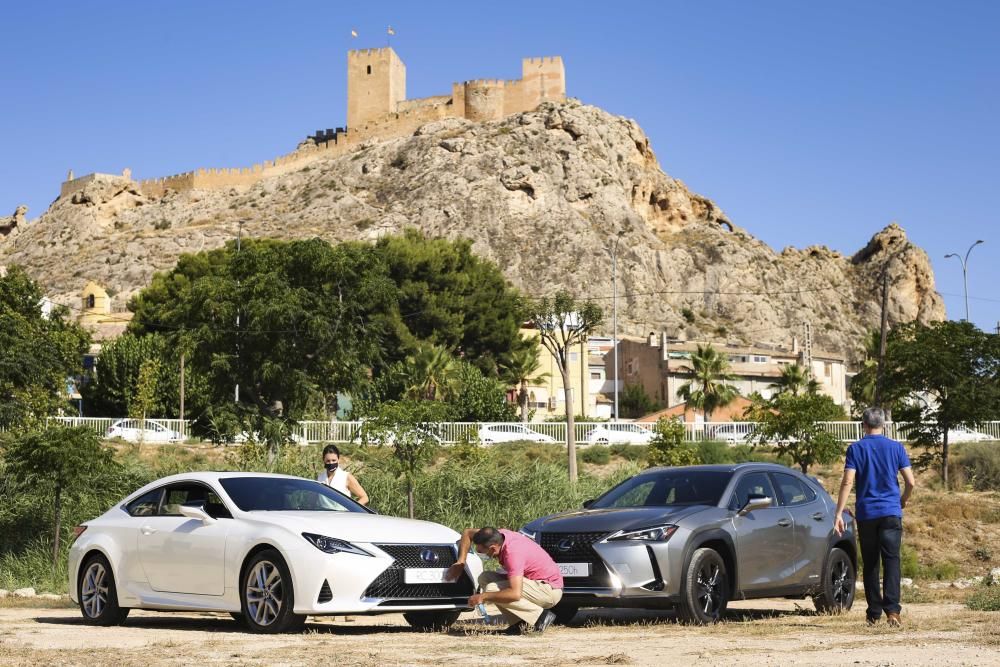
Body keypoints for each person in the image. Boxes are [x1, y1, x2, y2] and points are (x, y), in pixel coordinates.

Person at [834, 406, 916, 627]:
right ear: (883, 424)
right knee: (892, 561)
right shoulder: (896, 447)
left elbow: (848, 482)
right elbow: (911, 481)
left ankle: (873, 613)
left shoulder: (855, 449)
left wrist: (838, 512)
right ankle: (893, 612)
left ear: (864, 425)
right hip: (891, 511)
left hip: (867, 514)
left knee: (871, 563)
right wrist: (903, 500)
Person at [447, 526, 563, 635]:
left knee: (492, 589)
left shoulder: (513, 554)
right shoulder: (497, 536)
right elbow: (467, 533)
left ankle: (540, 617)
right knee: (485, 578)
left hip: (548, 591)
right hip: (534, 584)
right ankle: (518, 623)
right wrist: (461, 562)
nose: (481, 553)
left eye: (482, 552)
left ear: (493, 548)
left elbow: (515, 594)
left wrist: (483, 596)